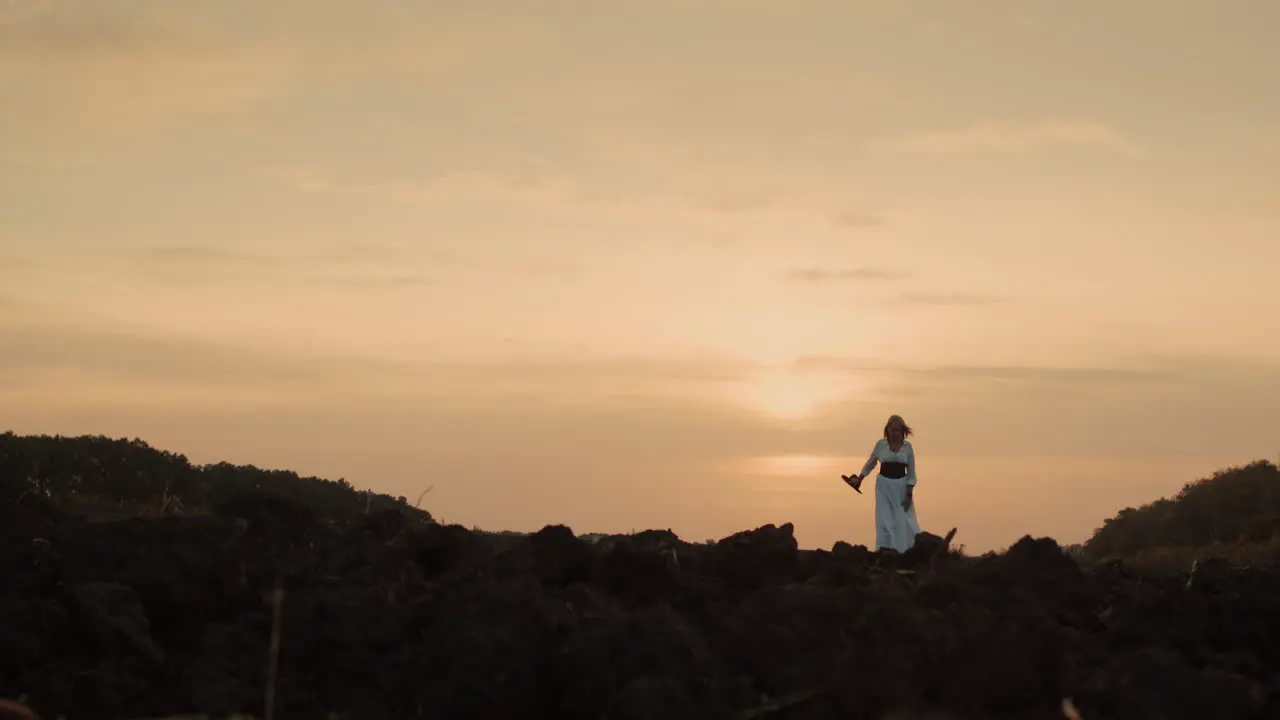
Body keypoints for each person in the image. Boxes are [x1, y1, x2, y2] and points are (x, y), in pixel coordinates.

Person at [841, 414, 922, 552]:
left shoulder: (907, 448)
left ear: (902, 431)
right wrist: (859, 479)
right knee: (884, 519)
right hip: (883, 486)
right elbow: (871, 463)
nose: (894, 433)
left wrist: (909, 494)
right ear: (887, 430)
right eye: (892, 430)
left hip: (901, 487)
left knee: (903, 520)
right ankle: (885, 550)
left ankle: (904, 551)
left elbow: (911, 473)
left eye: (897, 430)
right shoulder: (881, 445)